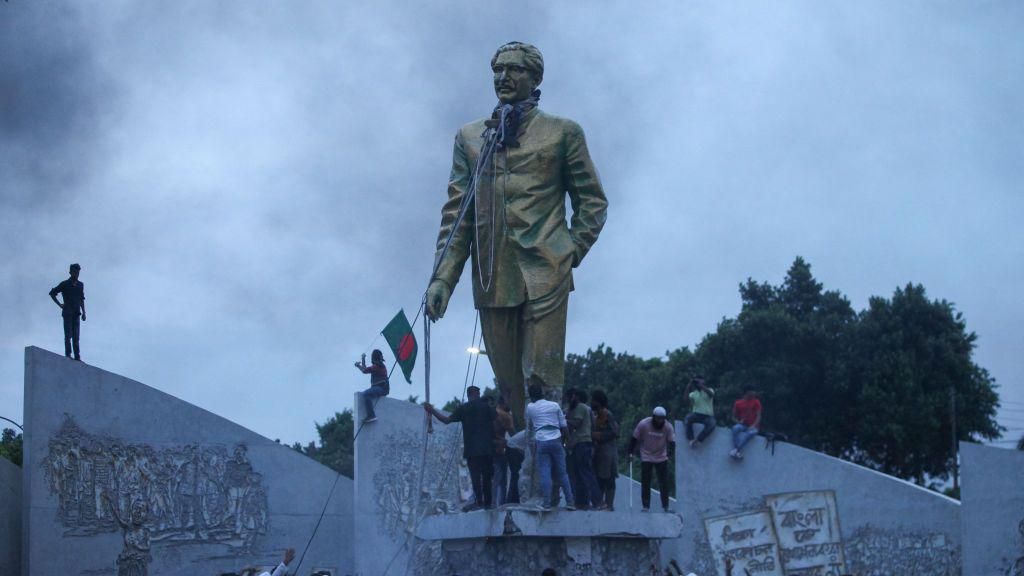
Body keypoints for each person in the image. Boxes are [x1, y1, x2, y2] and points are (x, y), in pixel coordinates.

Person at [424, 41, 609, 427]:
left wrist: (569, 251)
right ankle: (522, 475)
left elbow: (592, 201)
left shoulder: (563, 133)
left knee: (543, 383)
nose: (503, 77)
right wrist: (442, 279)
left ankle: (541, 480)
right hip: (493, 278)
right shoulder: (471, 138)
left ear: (535, 77)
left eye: (514, 70)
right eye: (498, 70)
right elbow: (458, 215)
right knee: (510, 389)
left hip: (546, 274)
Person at [424, 385, 497, 510]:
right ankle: (488, 503)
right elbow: (495, 418)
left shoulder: (463, 408)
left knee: (475, 477)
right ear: (477, 393)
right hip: (487, 449)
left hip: (472, 450)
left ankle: (479, 502)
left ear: (469, 395)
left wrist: (432, 410)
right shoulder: (486, 407)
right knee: (487, 477)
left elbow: (446, 420)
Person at [525, 383, 574, 510]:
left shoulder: (530, 407)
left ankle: (546, 503)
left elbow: (530, 426)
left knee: (545, 473)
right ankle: (570, 502)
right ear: (542, 393)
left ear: (531, 396)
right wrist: (569, 442)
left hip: (541, 441)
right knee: (563, 473)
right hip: (556, 440)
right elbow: (564, 426)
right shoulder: (554, 405)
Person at [629, 407, 676, 512]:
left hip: (661, 456)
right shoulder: (644, 424)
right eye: (658, 418)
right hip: (646, 455)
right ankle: (646, 506)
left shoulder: (668, 427)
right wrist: (630, 452)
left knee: (664, 482)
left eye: (662, 419)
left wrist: (670, 454)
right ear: (653, 417)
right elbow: (634, 438)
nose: (660, 421)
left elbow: (672, 442)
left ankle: (665, 506)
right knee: (646, 481)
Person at [564, 388, 602, 509]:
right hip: (578, 444)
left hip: (582, 443)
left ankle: (597, 502)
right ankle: (582, 502)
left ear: (574, 396)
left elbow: (576, 423)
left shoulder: (581, 407)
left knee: (586, 473)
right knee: (578, 474)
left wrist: (562, 419)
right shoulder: (581, 409)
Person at [49, 263, 86, 361]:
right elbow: (52, 293)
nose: (76, 274)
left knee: (76, 337)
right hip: (68, 312)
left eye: (78, 272)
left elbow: (81, 299)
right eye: (75, 271)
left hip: (77, 313)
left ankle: (77, 357)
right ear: (70, 272)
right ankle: (68, 355)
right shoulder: (65, 284)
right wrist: (60, 304)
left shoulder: (80, 285)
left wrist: (84, 312)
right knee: (68, 335)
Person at [589, 389, 619, 510]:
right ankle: (600, 504)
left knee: (609, 479)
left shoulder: (608, 415)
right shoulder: (595, 415)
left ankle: (609, 505)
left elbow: (615, 432)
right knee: (599, 479)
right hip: (599, 452)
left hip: (609, 451)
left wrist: (599, 435)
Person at [492, 395, 516, 506]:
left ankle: (491, 504)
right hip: (499, 450)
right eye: (508, 402)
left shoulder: (490, 413)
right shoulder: (506, 416)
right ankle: (500, 505)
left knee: (492, 480)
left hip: (487, 450)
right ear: (503, 403)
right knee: (501, 481)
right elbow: (513, 435)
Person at [355, 349, 389, 423]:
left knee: (366, 394)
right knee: (367, 393)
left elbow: (364, 370)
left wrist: (361, 362)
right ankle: (371, 415)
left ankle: (371, 415)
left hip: (381, 389)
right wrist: (362, 361)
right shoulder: (379, 366)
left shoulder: (377, 366)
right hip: (381, 389)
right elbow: (365, 369)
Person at [683, 377, 716, 447]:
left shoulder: (709, 390)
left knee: (712, 424)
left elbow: (711, 394)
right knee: (687, 418)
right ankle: (691, 438)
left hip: (708, 416)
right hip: (696, 414)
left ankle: (698, 440)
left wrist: (701, 386)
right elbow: (685, 400)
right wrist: (688, 387)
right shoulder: (694, 393)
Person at [730, 389, 762, 459]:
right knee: (735, 428)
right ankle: (737, 451)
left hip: (754, 426)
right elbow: (733, 417)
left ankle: (736, 450)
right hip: (743, 425)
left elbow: (759, 416)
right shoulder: (738, 403)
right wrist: (738, 422)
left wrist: (753, 425)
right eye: (752, 391)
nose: (754, 393)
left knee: (750, 433)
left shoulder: (756, 402)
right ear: (747, 392)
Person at [505, 428, 527, 504]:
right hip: (512, 448)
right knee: (516, 474)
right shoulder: (533, 434)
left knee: (516, 475)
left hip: (514, 448)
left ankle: (513, 498)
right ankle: (513, 499)